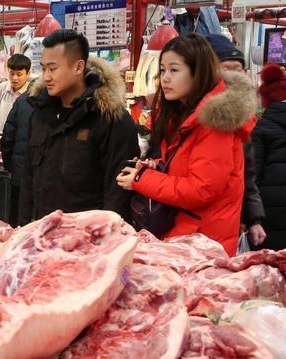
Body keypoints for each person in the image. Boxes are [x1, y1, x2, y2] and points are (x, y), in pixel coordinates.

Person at [117, 33, 257, 256]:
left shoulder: (214, 122)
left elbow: (201, 190)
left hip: (204, 243)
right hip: (187, 236)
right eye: (162, 70)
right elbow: (184, 165)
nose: (165, 78)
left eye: (174, 70)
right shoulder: (181, 114)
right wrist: (156, 165)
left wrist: (141, 179)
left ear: (197, 72)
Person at [19, 30, 139, 225]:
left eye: (53, 68)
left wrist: (104, 239)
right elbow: (28, 179)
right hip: (42, 233)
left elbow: (117, 192)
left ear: (78, 67)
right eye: (43, 69)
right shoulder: (39, 115)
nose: (47, 77)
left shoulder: (111, 118)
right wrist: (23, 228)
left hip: (87, 238)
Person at [205, 34, 267, 247]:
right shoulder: (192, 113)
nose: (233, 75)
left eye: (237, 68)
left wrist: (254, 219)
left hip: (228, 225)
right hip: (193, 224)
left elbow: (246, 173)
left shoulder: (243, 118)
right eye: (226, 67)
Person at [252, 64, 286, 250]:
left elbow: (252, 174)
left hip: (269, 213)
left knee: (273, 270)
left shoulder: (261, 128)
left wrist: (250, 218)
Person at [1, 78, 38, 227]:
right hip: (43, 176)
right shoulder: (57, 102)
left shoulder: (22, 101)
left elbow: (7, 136)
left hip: (20, 172)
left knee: (18, 219)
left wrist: (10, 165)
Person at [0, 53, 32, 133]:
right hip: (3, 137)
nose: (14, 78)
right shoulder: (0, 89)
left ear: (28, 74)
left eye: (19, 74)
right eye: (11, 73)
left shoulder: (32, 92)